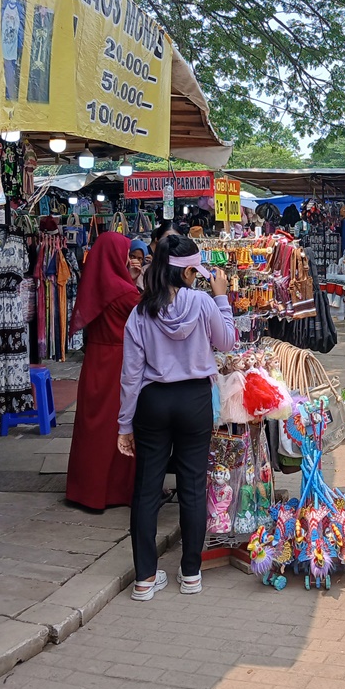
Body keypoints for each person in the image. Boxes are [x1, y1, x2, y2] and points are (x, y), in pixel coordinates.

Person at [118, 235, 237, 599]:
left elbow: (131, 375)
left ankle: (144, 578)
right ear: (187, 272)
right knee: (192, 485)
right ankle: (190, 573)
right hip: (194, 400)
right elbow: (228, 342)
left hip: (153, 402)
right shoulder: (203, 302)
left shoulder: (141, 311)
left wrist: (124, 424)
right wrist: (221, 296)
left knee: (147, 489)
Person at [67, 233, 143, 510]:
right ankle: (111, 491)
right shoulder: (123, 291)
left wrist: (131, 281)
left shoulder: (99, 282)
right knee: (117, 426)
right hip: (118, 362)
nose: (129, 258)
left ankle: (85, 489)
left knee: (92, 427)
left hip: (96, 359)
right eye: (125, 253)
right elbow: (143, 312)